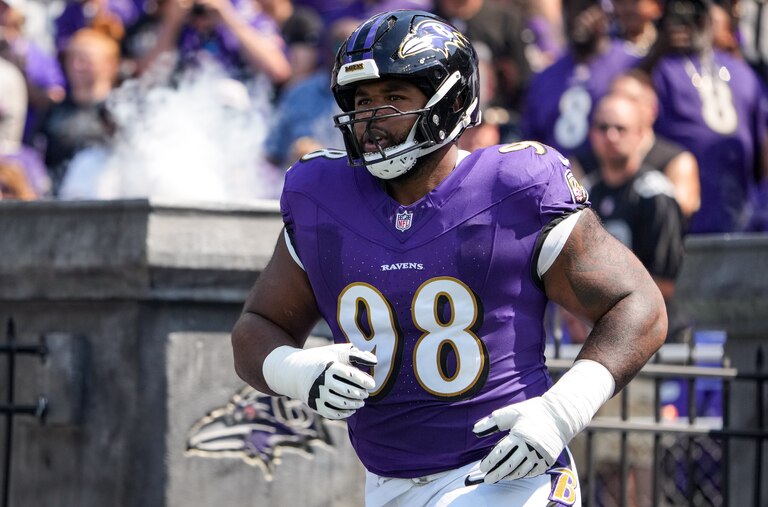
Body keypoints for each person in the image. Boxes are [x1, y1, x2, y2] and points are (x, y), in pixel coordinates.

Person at [231, 10, 666, 506]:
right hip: (387, 484)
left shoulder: (514, 187)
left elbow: (639, 304)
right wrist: (297, 370)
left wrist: (560, 411)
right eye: (362, 100)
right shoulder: (321, 197)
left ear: (452, 99)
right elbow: (257, 327)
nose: (372, 118)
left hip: (504, 475)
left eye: (394, 97)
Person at [641, 0, 768, 233]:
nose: (686, 24)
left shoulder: (741, 72)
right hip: (681, 213)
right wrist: (658, 50)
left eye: (696, 16)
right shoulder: (661, 70)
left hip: (741, 212)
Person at [519, 0, 642, 162]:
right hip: (554, 179)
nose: (579, 18)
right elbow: (530, 140)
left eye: (587, 9)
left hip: (611, 178)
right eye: (572, 8)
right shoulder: (545, 77)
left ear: (606, 13)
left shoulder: (631, 64)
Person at [37, 28, 120, 194]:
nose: (77, 65)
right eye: (72, 58)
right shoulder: (54, 111)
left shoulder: (119, 110)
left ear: (109, 65)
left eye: (86, 59)